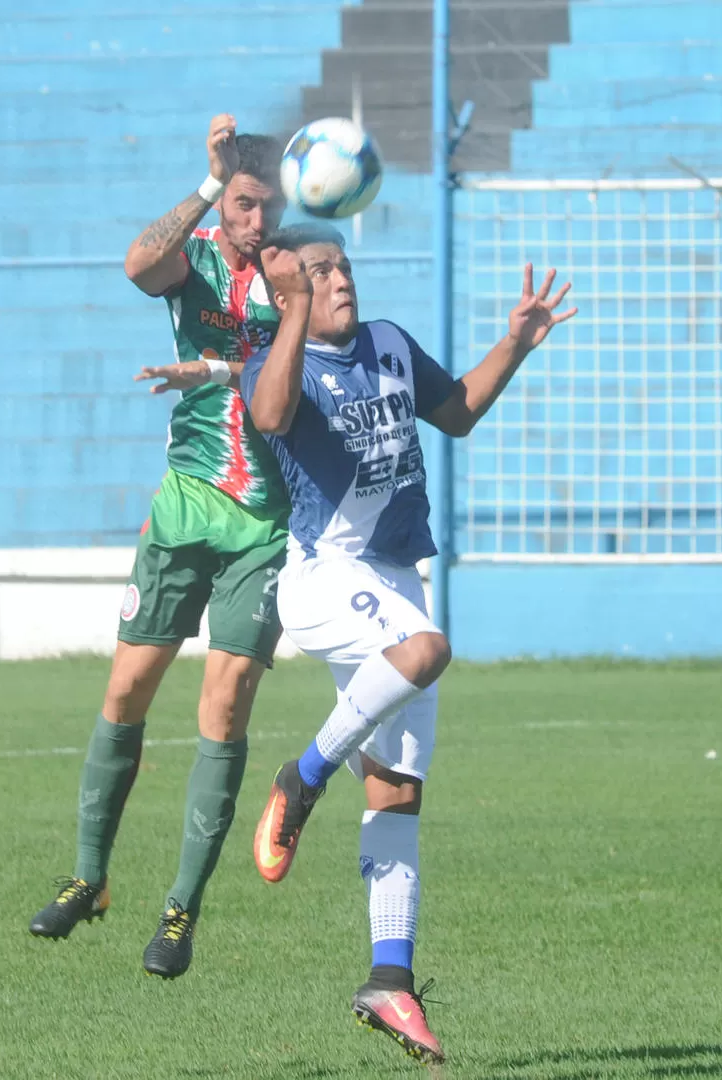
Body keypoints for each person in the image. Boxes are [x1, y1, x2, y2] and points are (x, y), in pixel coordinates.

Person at [240, 223, 577, 1063]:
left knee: (396, 793)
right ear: (286, 296)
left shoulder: (387, 342)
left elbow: (456, 411)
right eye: (317, 273)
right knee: (427, 649)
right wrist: (290, 312)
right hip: (324, 575)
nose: (339, 280)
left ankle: (388, 981)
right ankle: (302, 775)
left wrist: (516, 342)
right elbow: (272, 414)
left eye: (342, 265)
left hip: (393, 578)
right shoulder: (276, 364)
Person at [29, 115, 290, 981]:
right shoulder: (201, 260)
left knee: (223, 706)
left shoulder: (299, 274)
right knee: (128, 687)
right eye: (245, 206)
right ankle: (89, 878)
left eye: (267, 206)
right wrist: (209, 184)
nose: (257, 221)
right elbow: (141, 263)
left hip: (263, 520)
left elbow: (314, 365)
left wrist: (224, 365)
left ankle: (180, 909)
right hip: (183, 508)